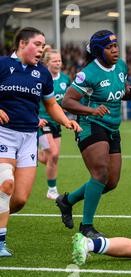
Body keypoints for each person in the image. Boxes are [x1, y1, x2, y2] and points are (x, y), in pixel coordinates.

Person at [0, 27, 81, 257]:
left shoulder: (42, 74)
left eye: (43, 45)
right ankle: (0, 242)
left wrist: (67, 122)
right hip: (3, 133)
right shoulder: (3, 65)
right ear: (22, 44)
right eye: (37, 44)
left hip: (28, 138)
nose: (41, 49)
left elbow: (51, 105)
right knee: (5, 183)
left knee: (20, 199)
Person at [56, 30, 131, 239]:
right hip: (90, 124)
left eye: (116, 46)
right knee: (100, 174)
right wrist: (91, 110)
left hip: (112, 127)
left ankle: (67, 201)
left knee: (111, 182)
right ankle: (87, 227)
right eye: (109, 47)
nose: (115, 50)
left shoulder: (121, 66)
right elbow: (67, 102)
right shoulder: (88, 73)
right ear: (98, 51)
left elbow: (120, 91)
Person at [37, 49, 71, 200]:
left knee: (50, 158)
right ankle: (51, 190)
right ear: (46, 63)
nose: (58, 63)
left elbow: (69, 99)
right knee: (54, 153)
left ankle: (28, 153)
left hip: (56, 122)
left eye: (59, 60)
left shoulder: (65, 79)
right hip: (42, 121)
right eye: (54, 61)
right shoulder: (41, 78)